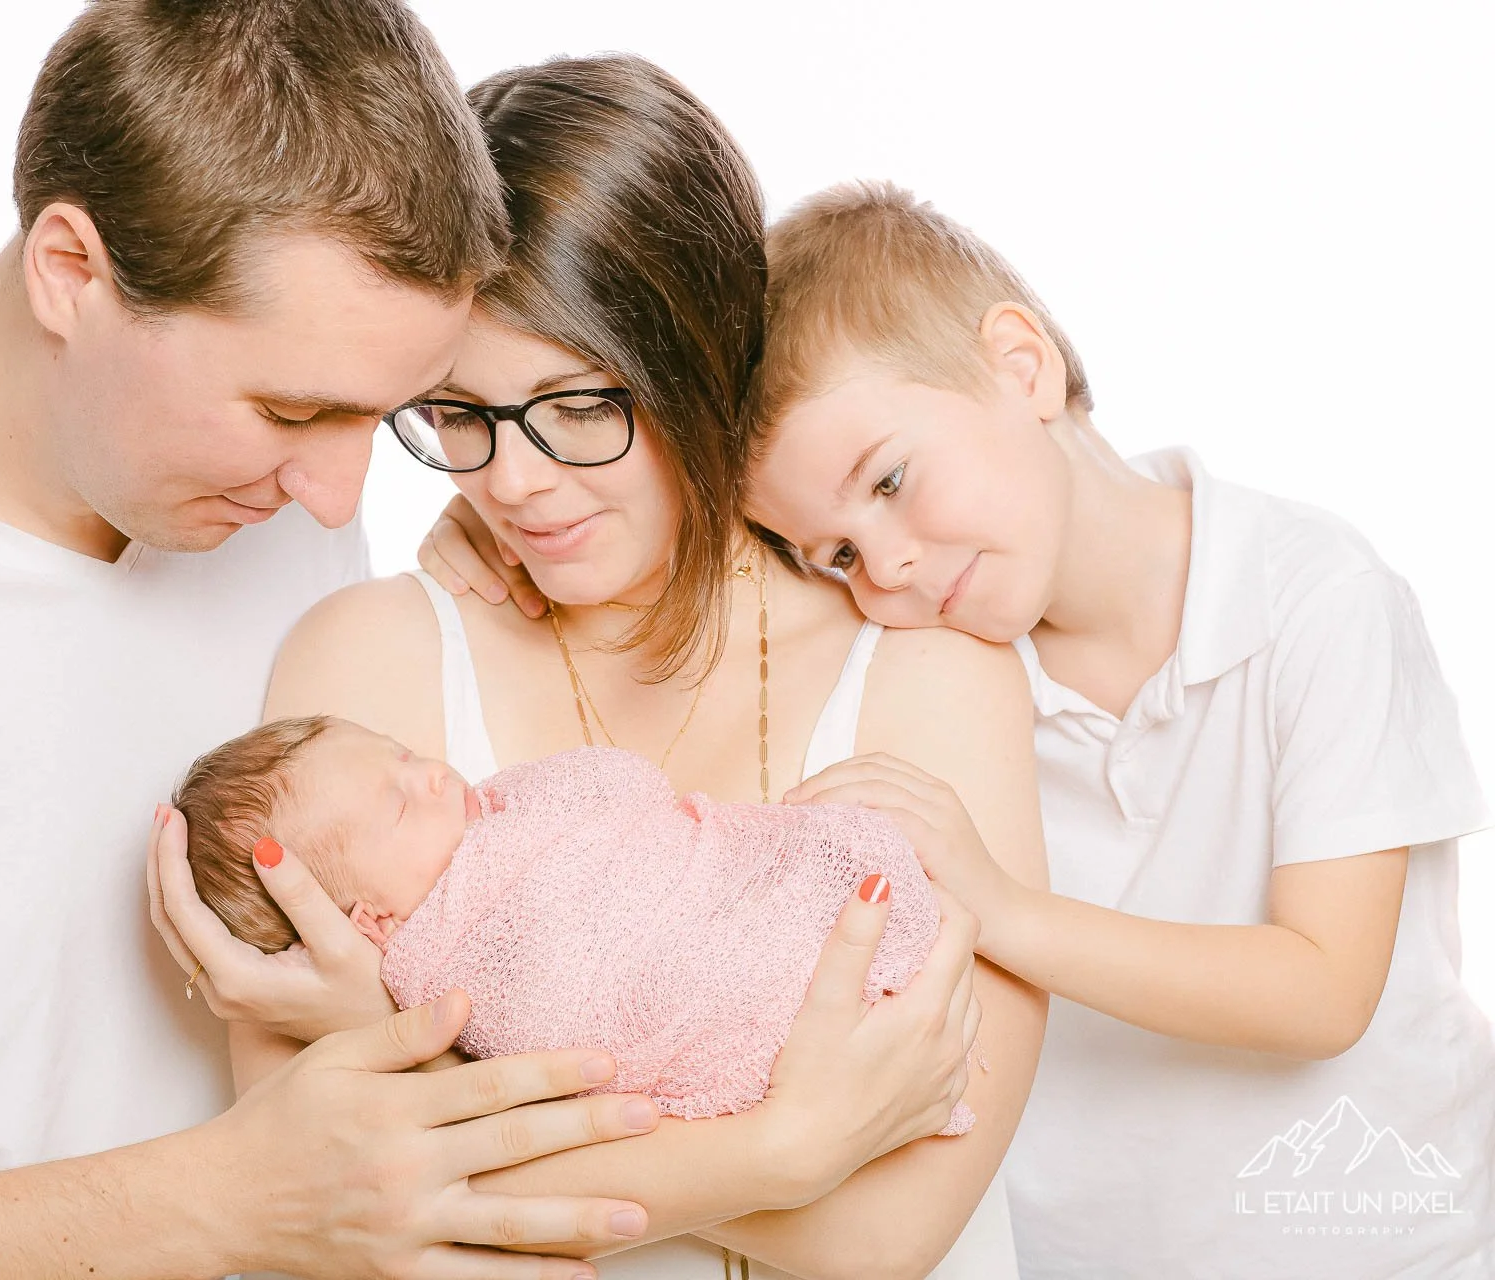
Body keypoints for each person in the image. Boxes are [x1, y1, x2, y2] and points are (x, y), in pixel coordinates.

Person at [0, 4, 698, 1276]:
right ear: (71, 270)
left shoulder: (262, 490)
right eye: (290, 408)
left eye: (379, 418)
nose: (339, 499)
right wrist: (217, 1199)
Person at [155, 54, 1050, 1280]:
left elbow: (889, 1234)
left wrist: (416, 1072)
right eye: (458, 412)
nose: (511, 481)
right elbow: (327, 1200)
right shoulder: (369, 667)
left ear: (702, 359)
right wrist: (780, 1152)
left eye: (579, 405)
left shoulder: (926, 671)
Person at [738, 182, 1495, 1277]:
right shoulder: (939, 677)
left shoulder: (1314, 597)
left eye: (891, 481)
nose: (887, 564)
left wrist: (1001, 907)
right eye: (838, 554)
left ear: (1022, 365)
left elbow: (1323, 988)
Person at [172, 716, 975, 1132]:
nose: (429, 775)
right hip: (699, 997)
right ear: (372, 919)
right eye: (396, 802)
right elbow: (555, 1014)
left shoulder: (502, 819)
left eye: (404, 755)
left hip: (735, 901)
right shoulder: (449, 964)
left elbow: (624, 793)